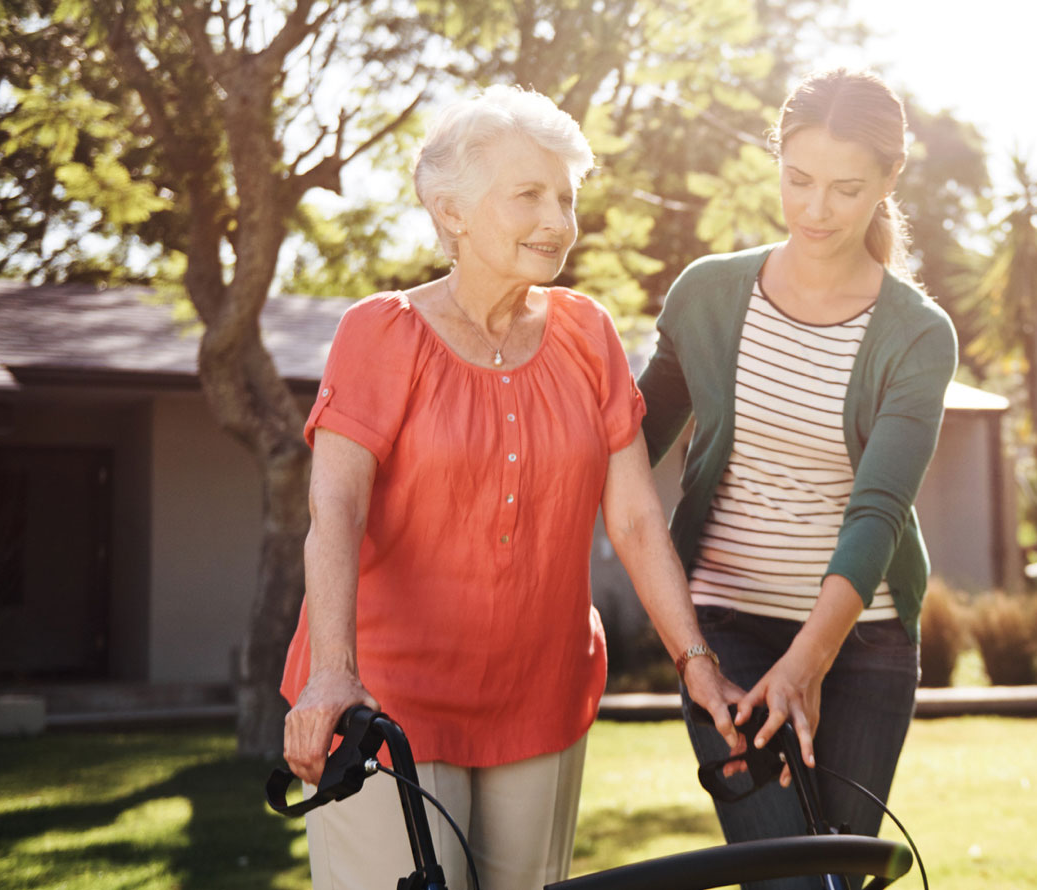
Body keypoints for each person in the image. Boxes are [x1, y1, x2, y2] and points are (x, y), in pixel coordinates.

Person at [279, 85, 742, 890]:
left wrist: (694, 660)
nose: (558, 220)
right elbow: (337, 509)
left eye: (565, 197)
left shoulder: (588, 334)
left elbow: (634, 519)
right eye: (528, 194)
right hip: (382, 697)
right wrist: (331, 671)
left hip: (541, 693)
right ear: (452, 211)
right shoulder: (379, 334)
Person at [638, 68, 957, 887]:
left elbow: (877, 512)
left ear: (890, 180)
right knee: (788, 879)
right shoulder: (707, 295)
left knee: (837, 880)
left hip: (863, 643)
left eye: (847, 189)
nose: (816, 210)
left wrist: (811, 660)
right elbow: (623, 455)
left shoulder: (918, 336)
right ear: (775, 162)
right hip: (727, 634)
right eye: (798, 180)